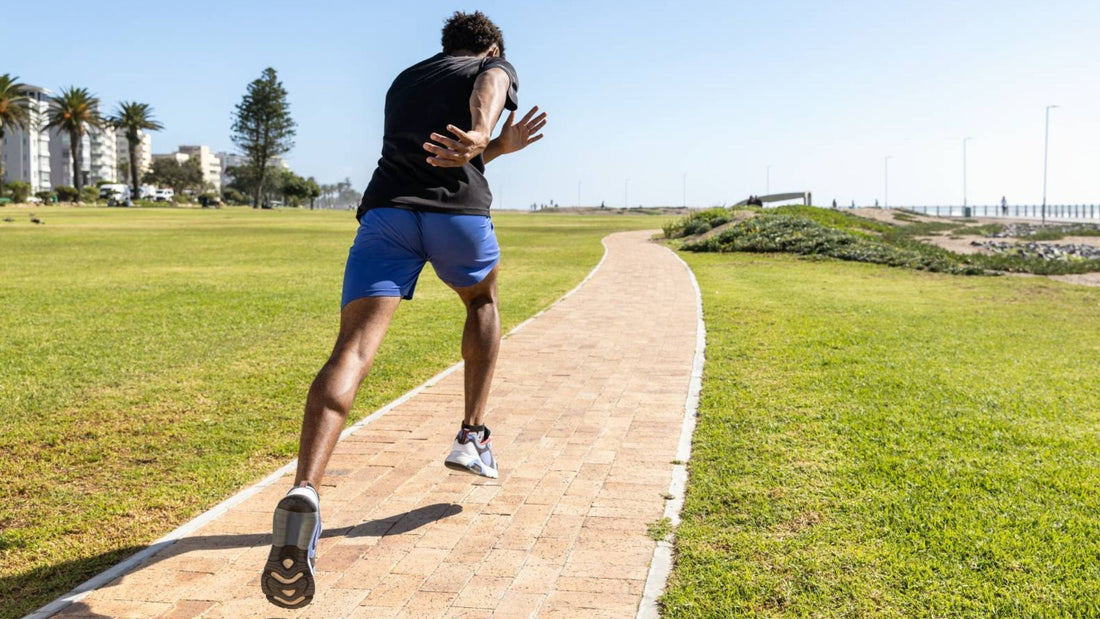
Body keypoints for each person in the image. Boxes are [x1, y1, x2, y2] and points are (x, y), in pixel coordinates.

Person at [261, 11, 547, 609]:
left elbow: (432, 159)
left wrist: (488, 148)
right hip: (458, 219)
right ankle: (472, 435)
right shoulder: (492, 63)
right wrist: (483, 132)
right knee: (483, 302)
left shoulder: (406, 78)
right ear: (489, 44)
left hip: (386, 214)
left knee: (353, 349)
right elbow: (487, 94)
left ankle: (306, 489)